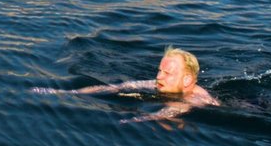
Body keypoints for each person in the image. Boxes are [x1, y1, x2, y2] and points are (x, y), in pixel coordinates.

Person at [48, 48, 218, 123]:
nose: (159, 77)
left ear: (187, 80)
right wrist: (66, 92)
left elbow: (171, 111)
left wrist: (136, 120)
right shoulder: (160, 84)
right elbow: (116, 87)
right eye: (159, 71)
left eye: (167, 73)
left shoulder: (198, 99)